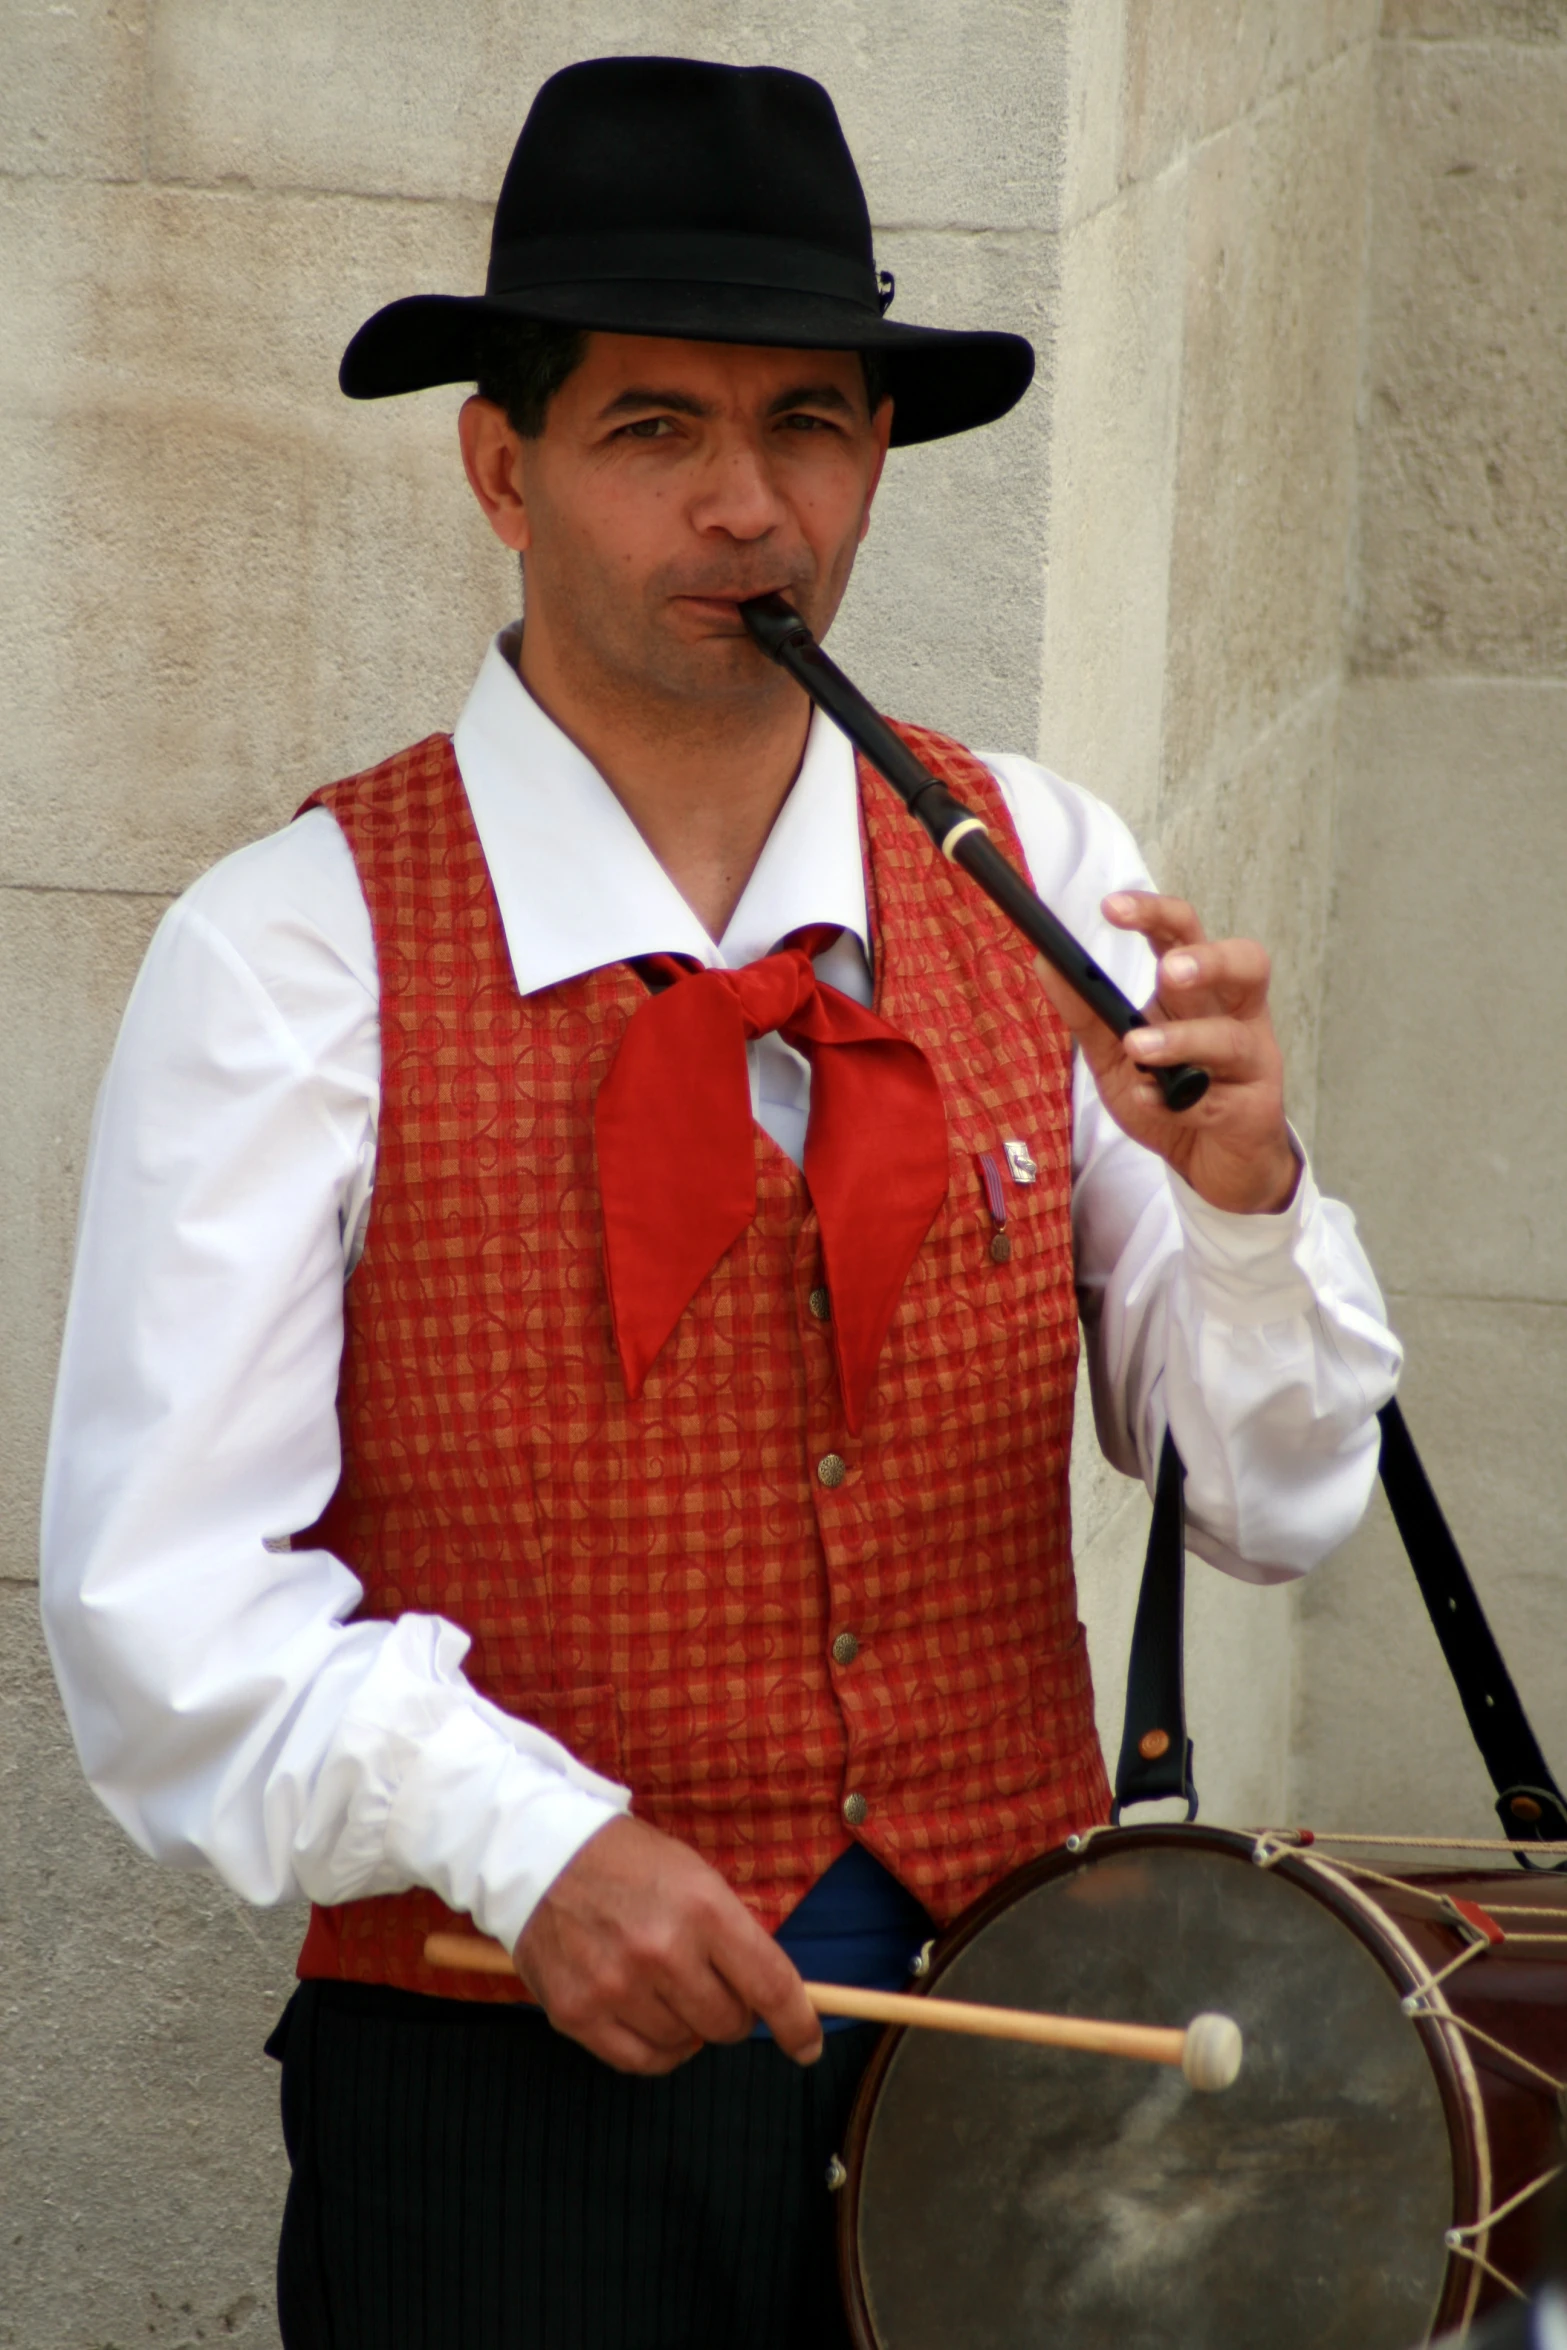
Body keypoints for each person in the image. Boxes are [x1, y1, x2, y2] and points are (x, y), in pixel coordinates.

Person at [41, 54, 1401, 2350]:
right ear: (505, 464)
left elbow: (1280, 1500)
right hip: (500, 2121)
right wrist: (530, 1834)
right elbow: (156, 1605)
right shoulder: (294, 951)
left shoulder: (1043, 871)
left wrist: (1251, 1206)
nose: (746, 508)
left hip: (1023, 2103)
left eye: (809, 426)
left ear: (877, 464)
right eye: (653, 430)